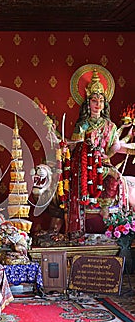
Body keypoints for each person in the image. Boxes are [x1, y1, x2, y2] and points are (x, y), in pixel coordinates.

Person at [67, 68, 133, 235]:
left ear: (105, 104)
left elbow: (113, 148)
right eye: (94, 101)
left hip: (103, 162)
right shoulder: (82, 125)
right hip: (85, 163)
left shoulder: (110, 126)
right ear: (88, 103)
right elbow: (74, 146)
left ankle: (104, 206)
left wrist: (106, 155)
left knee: (115, 176)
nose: (98, 104)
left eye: (101, 101)